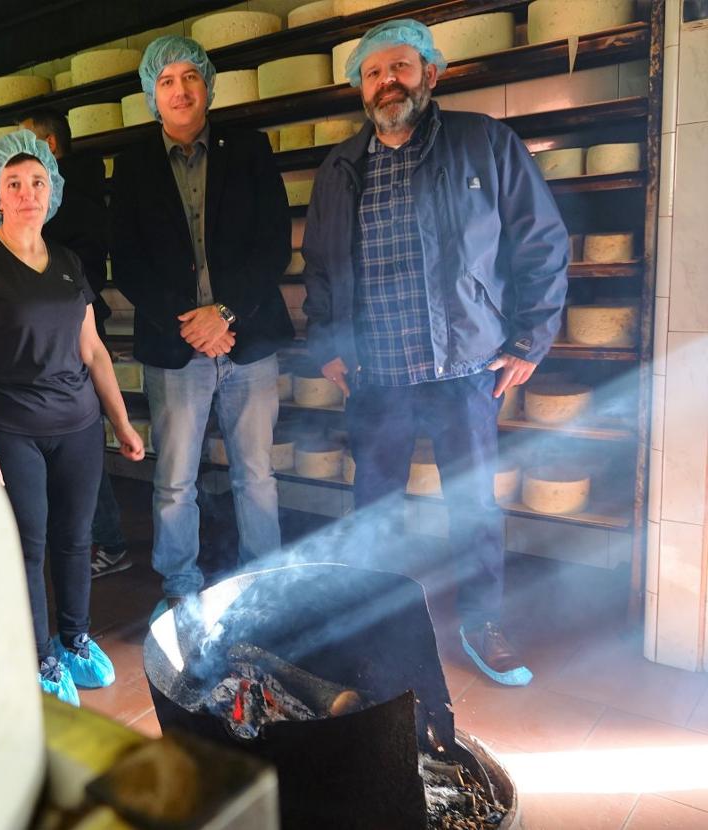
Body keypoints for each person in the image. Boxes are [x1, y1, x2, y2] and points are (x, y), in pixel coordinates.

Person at [301, 20, 569, 686]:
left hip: (465, 366)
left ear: (430, 73)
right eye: (373, 72)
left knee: (474, 506)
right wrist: (330, 346)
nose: (387, 81)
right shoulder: (340, 166)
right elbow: (321, 266)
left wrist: (532, 337)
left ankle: (481, 625)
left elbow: (542, 240)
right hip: (378, 372)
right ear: (360, 87)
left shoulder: (484, 142)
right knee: (375, 507)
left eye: (400, 67)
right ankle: (371, 619)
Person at [0, 129, 145, 706]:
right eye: (14, 183)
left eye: (37, 182)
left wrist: (122, 424)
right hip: (13, 429)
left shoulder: (66, 262)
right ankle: (39, 654)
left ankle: (76, 637)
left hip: (78, 425)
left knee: (76, 539)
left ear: (51, 191)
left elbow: (94, 351)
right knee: (28, 545)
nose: (27, 192)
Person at [109, 36, 293, 617]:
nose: (181, 89)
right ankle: (181, 583)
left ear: (207, 86)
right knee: (174, 478)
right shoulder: (135, 165)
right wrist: (190, 324)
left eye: (190, 77)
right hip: (176, 345)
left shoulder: (250, 149)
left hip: (249, 337)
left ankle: (264, 580)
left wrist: (227, 313)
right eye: (167, 81)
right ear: (151, 95)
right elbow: (127, 261)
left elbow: (274, 245)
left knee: (256, 474)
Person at [18, 106, 131, 579]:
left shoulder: (72, 204)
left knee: (79, 442)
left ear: (50, 147)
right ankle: (88, 538)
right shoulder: (44, 202)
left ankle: (106, 539)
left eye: (25, 144)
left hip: (71, 335)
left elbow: (75, 276)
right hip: (41, 340)